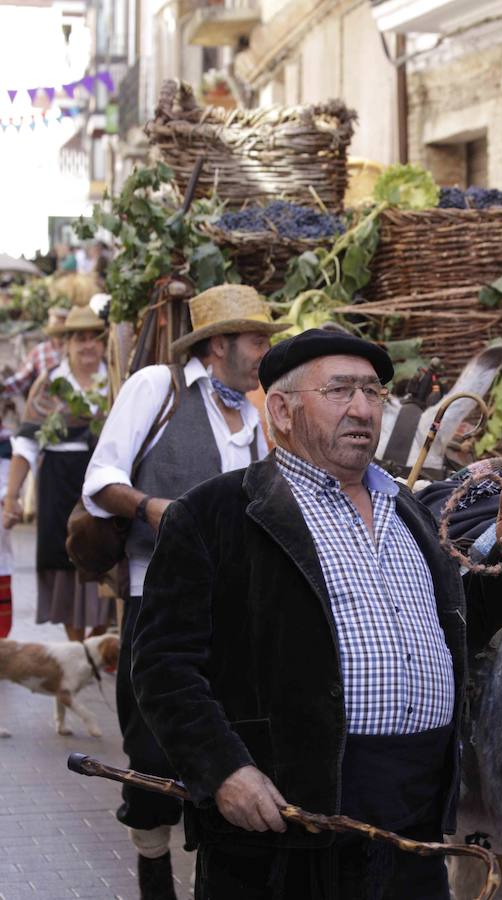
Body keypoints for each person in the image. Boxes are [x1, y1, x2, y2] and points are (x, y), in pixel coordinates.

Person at [131, 329, 502, 900]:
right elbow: (163, 666)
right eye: (340, 390)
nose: (362, 409)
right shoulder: (214, 516)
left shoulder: (410, 511)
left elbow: (453, 625)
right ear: (280, 410)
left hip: (415, 827)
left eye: (373, 392)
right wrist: (224, 770)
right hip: (286, 831)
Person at [81, 284, 288, 900]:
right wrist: (153, 509)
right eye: (257, 340)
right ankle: (151, 868)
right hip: (156, 594)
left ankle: (213, 866)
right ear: (220, 344)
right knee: (150, 742)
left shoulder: (253, 415)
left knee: (222, 733)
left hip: (232, 603)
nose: (265, 352)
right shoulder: (157, 387)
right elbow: (101, 478)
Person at [2, 305, 110, 643]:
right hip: (59, 484)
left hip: (105, 484)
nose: (88, 345)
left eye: (95, 338)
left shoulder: (117, 380)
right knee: (64, 561)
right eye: (80, 338)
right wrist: (12, 495)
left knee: (106, 558)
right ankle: (76, 647)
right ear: (67, 344)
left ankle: (100, 639)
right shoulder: (51, 384)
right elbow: (27, 442)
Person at [0, 305, 68, 397]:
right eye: (56, 327)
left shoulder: (76, 351)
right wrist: (3, 388)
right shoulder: (40, 351)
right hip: (48, 405)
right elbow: (21, 380)